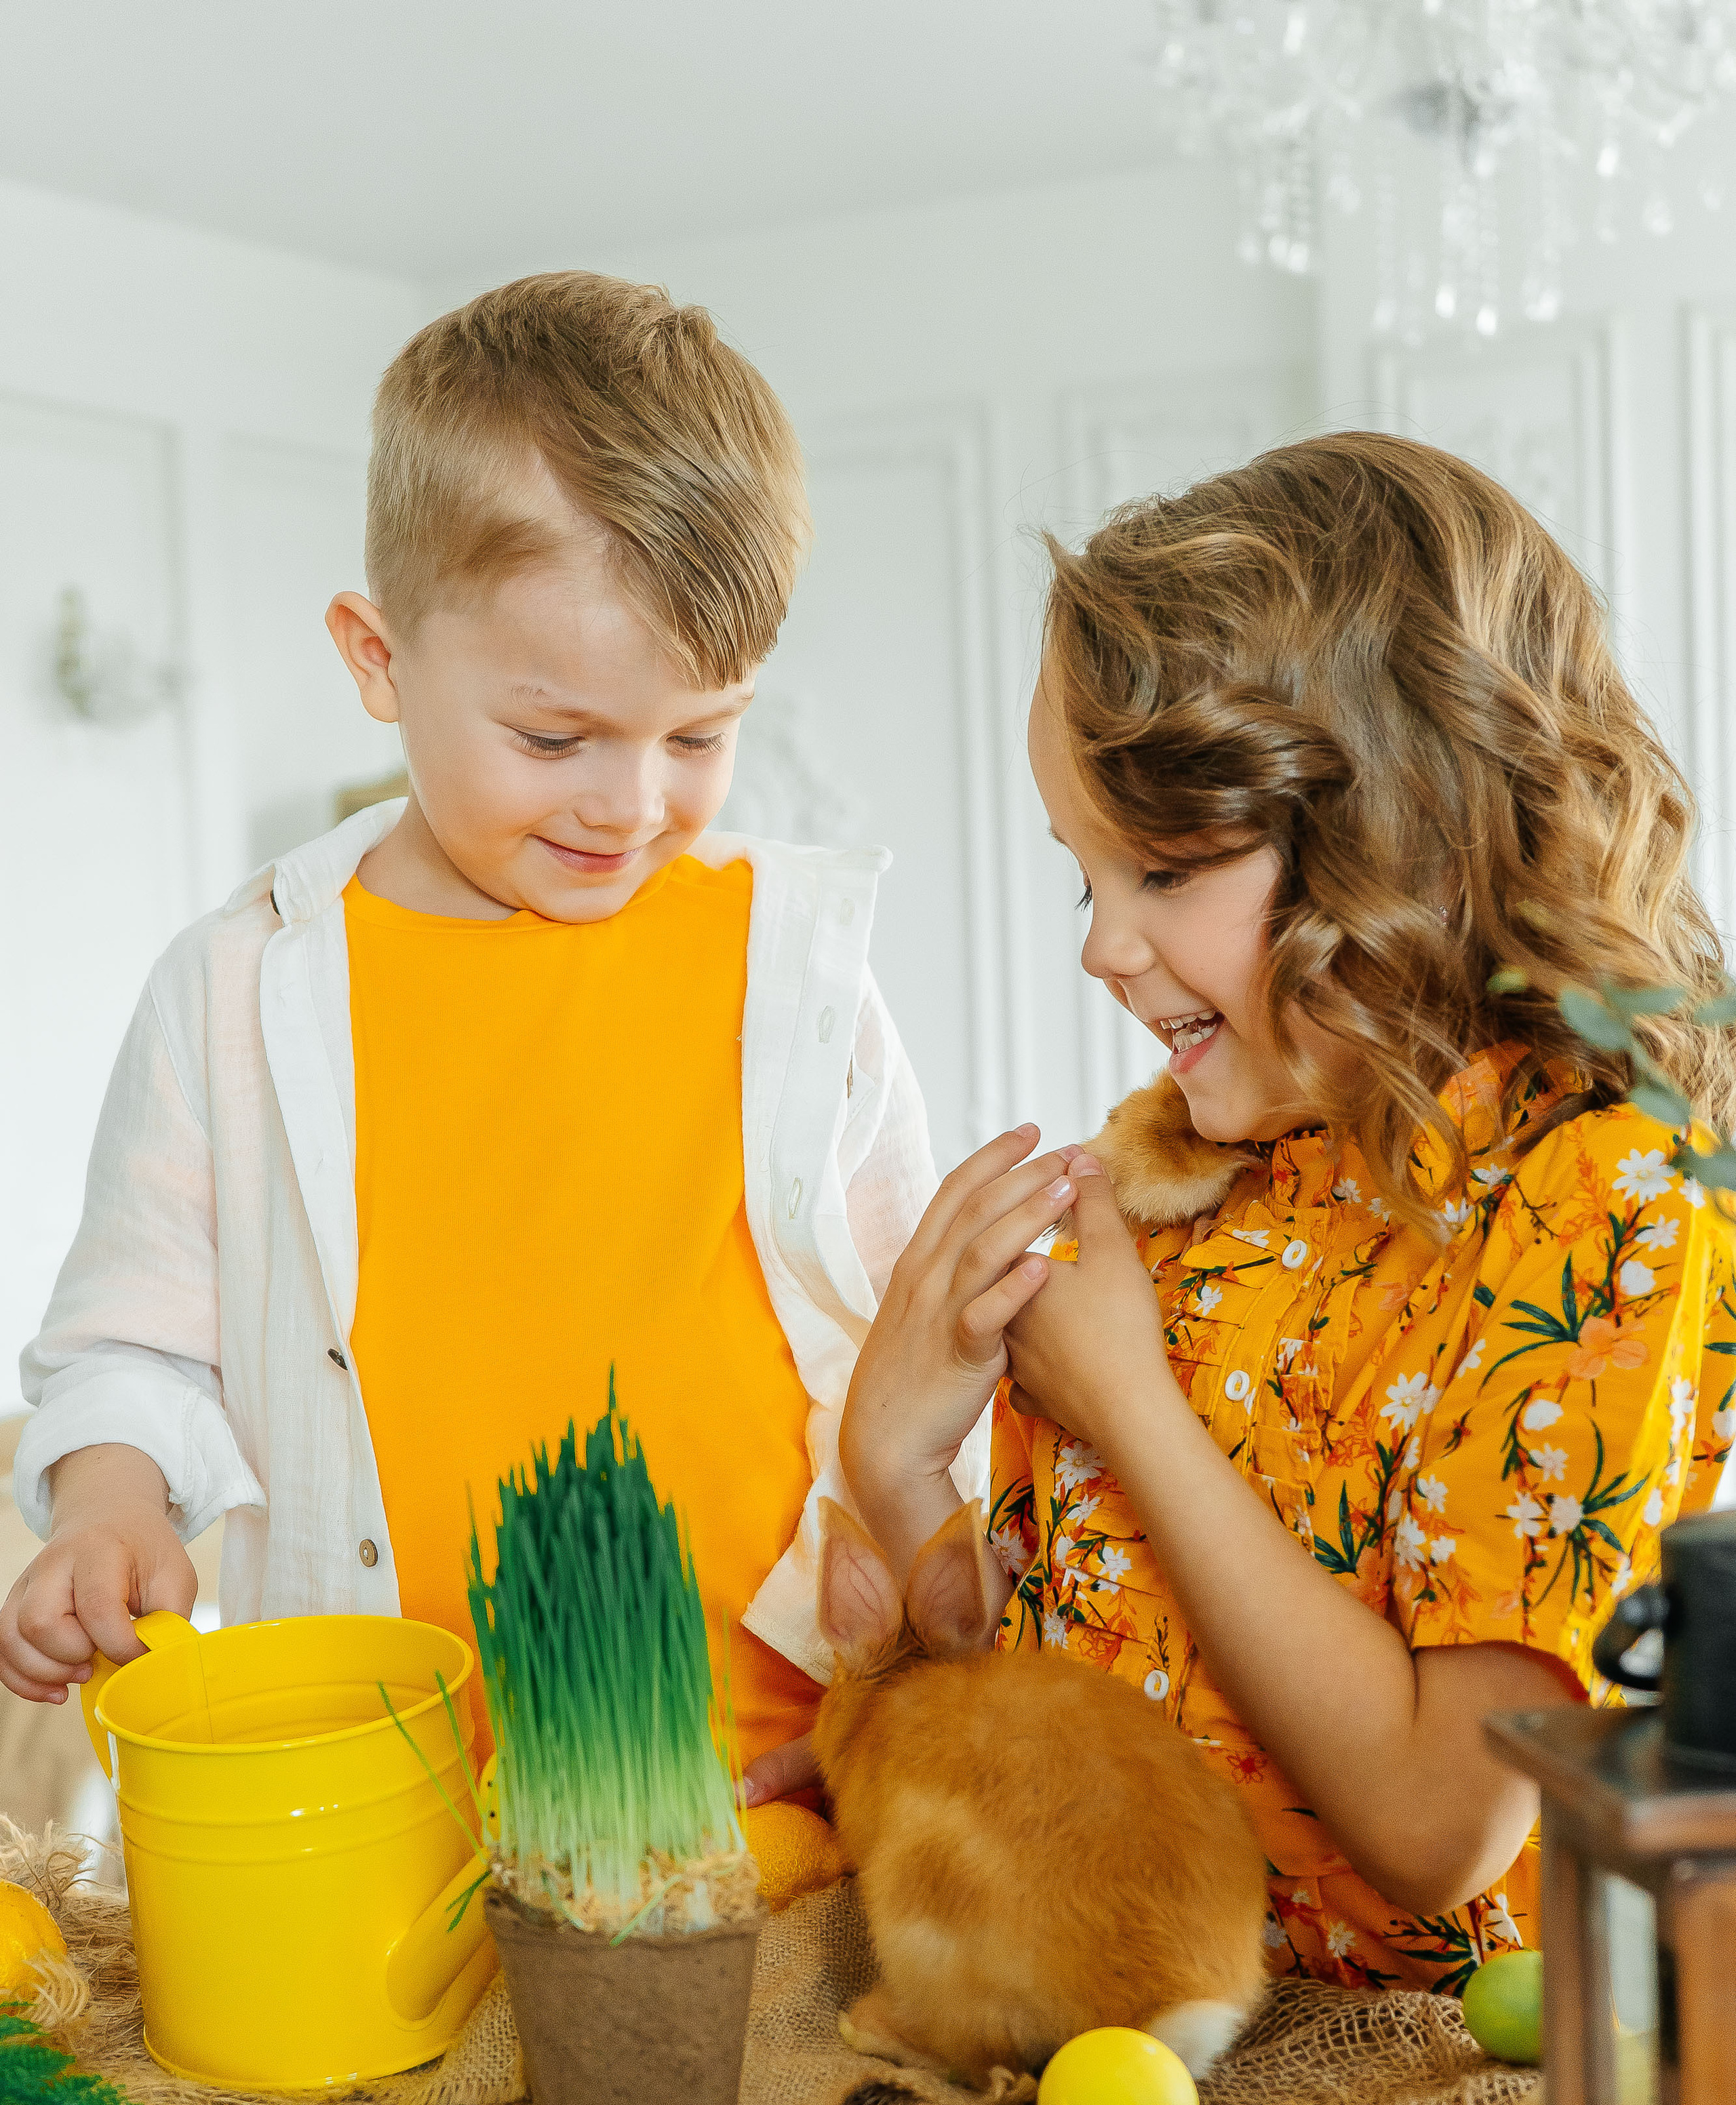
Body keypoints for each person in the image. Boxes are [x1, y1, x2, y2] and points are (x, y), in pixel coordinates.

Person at [757, 431, 1736, 1993]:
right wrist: (893, 1465)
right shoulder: (1197, 1159)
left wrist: (1125, 1401)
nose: (1099, 951)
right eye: (1087, 883)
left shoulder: (1598, 1190)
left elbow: (1434, 1828)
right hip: (1099, 1980)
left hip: (1385, 2045)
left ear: (1397, 830)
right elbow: (1057, 1666)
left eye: (1163, 870)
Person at [0, 271, 972, 1784]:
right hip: (393, 1800)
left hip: (780, 1776)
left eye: (699, 735)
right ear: (378, 660)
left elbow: (911, 1345)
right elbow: (127, 1346)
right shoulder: (237, 987)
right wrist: (108, 1502)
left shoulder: (797, 969)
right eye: (552, 736)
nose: (629, 803)